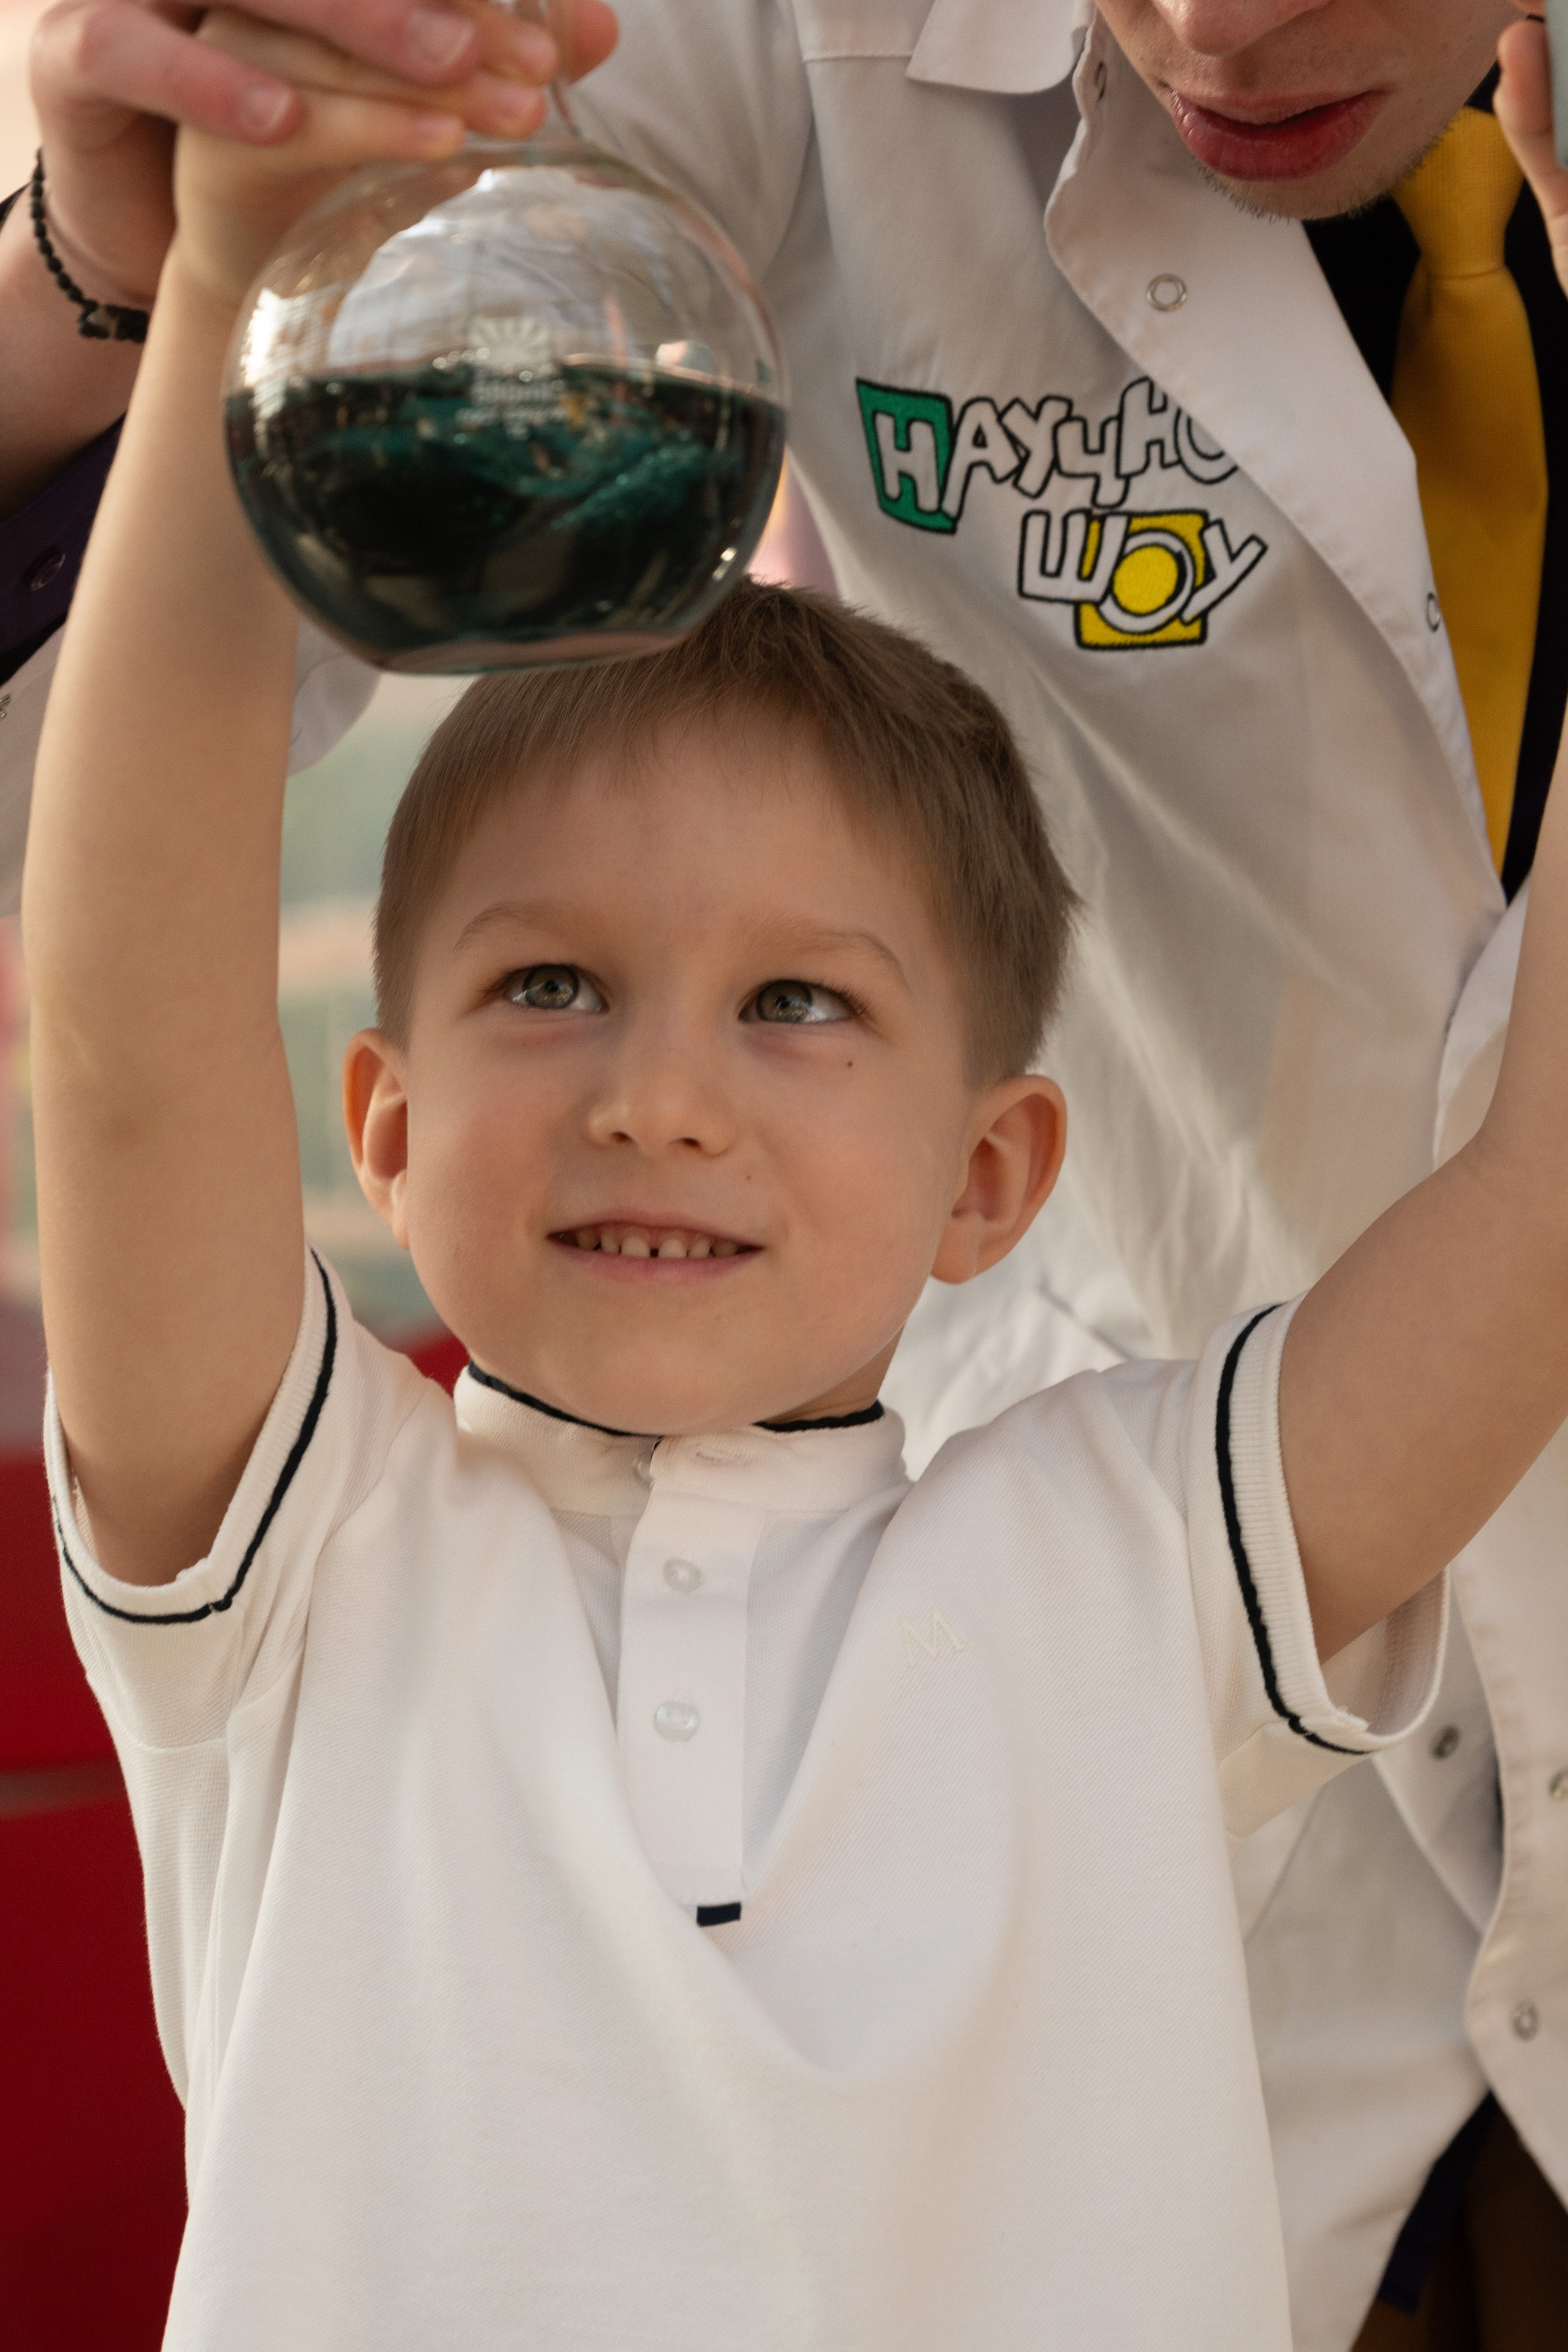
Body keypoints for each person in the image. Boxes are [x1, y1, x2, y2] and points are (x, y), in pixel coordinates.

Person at [6, 1, 1568, 2342]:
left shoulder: (1135, 1566)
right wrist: (230, 262)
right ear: (384, 1125)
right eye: (550, 988)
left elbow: (1542, 1200)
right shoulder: (295, 1570)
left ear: (995, 1175)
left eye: (798, 1006)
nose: (663, 1098)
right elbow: (130, 1024)